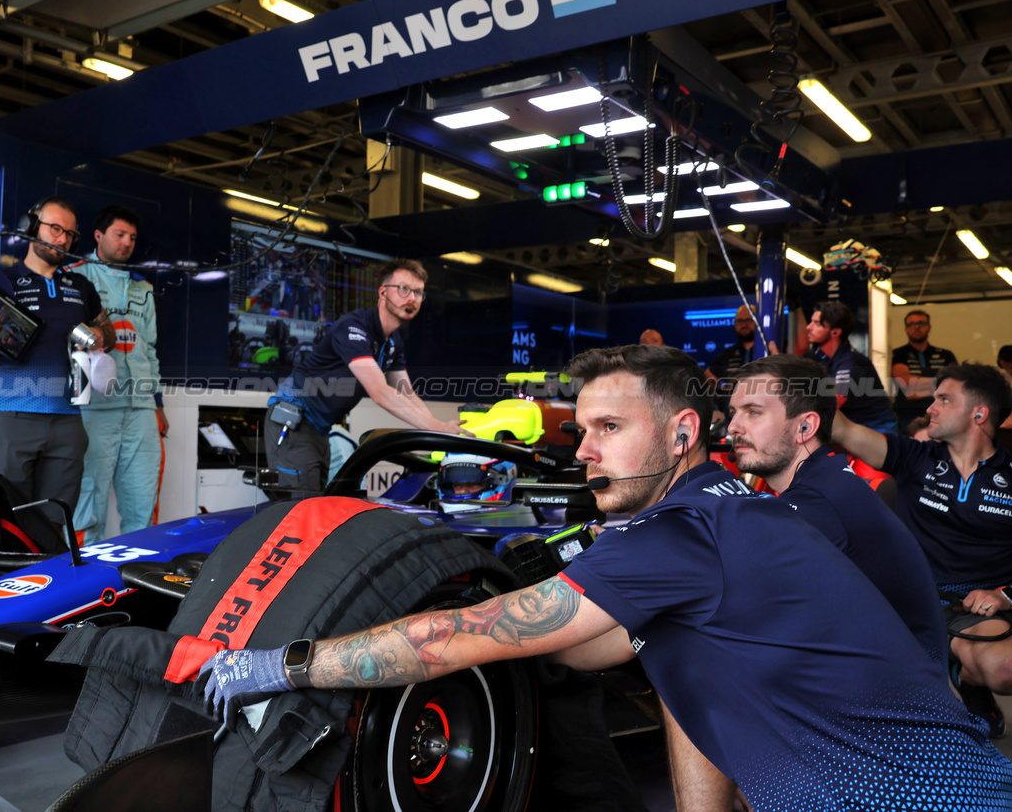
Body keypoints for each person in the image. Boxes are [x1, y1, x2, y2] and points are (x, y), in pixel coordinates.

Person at [205, 345, 1012, 812]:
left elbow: (453, 642)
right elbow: (611, 646)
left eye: (609, 429)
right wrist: (529, 618)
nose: (583, 450)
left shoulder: (677, 534)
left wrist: (281, 664)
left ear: (682, 433)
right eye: (581, 429)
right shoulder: (724, 510)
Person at [657, 353, 952, 807]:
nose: (733, 426)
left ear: (805, 427)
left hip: (897, 725)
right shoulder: (824, 481)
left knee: (688, 655)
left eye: (753, 412)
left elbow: (710, 579)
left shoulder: (818, 502)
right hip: (886, 694)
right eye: (734, 412)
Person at [831, 362, 1012, 738]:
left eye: (944, 400)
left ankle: (969, 682)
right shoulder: (915, 457)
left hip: (978, 606)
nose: (930, 408)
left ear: (979, 414)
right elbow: (842, 429)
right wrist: (796, 384)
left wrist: (1004, 595)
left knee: (1003, 668)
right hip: (913, 600)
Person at [0, 196, 113, 526]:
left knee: (57, 522)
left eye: (69, 233)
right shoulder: (2, 282)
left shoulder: (81, 286)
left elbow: (107, 333)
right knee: (7, 518)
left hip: (68, 421)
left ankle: (51, 578)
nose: (61, 238)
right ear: (30, 229)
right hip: (12, 417)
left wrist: (99, 334)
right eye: (54, 228)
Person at [265, 259, 468, 491]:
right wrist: (436, 427)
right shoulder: (354, 327)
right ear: (383, 292)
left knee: (317, 505)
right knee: (301, 507)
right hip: (293, 420)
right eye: (403, 289)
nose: (411, 298)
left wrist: (438, 429)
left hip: (320, 428)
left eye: (418, 292)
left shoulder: (393, 341)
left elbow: (407, 394)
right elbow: (380, 393)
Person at [68, 205, 168, 543]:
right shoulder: (76, 278)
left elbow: (150, 349)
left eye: (133, 238)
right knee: (88, 500)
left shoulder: (144, 289)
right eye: (120, 235)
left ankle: (137, 579)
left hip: (140, 407)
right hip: (93, 408)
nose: (127, 243)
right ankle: (86, 584)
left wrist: (157, 404)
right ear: (99, 236)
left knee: (142, 502)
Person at [803, 300, 897, 434]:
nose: (809, 327)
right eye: (811, 321)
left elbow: (833, 403)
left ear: (835, 332)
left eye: (817, 324)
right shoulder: (820, 357)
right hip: (853, 430)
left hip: (878, 431)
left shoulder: (852, 361)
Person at [891, 310, 957, 432]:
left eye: (921, 323)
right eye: (911, 324)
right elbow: (907, 385)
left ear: (929, 327)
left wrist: (919, 386)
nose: (916, 327)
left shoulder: (946, 355)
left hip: (942, 412)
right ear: (906, 328)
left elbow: (955, 385)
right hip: (908, 415)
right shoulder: (898, 354)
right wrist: (940, 383)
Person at [705, 304, 760, 414]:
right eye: (739, 321)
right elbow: (706, 379)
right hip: (733, 418)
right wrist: (720, 401)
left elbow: (800, 347)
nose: (744, 324)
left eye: (749, 320)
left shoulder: (772, 347)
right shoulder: (727, 354)